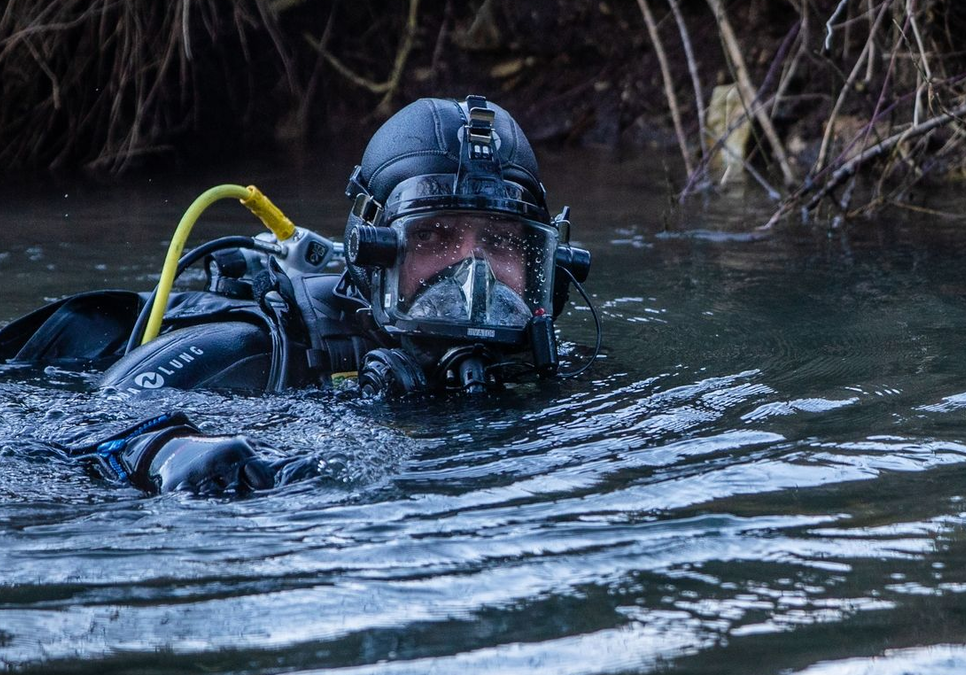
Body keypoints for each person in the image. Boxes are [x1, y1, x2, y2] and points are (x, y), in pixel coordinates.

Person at [0, 95, 597, 495]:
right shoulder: (255, 348)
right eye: (437, 237)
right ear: (375, 250)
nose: (473, 275)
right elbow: (69, 432)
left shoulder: (547, 371)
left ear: (542, 267)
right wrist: (162, 451)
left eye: (499, 243)